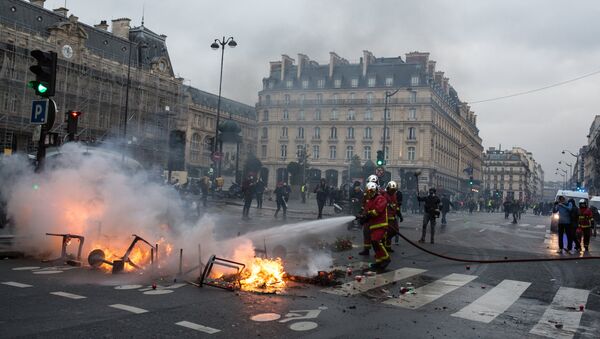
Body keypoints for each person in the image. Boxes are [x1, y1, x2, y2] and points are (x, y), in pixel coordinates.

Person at [360, 182, 390, 270]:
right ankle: (379, 261)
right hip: (373, 226)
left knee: (376, 241)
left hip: (381, 224)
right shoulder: (369, 201)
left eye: (372, 191)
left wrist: (367, 215)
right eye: (368, 191)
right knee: (374, 243)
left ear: (376, 190)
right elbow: (366, 211)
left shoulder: (381, 198)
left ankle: (386, 259)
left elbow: (377, 211)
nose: (370, 193)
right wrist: (362, 217)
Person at [384, 181, 401, 253]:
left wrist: (399, 214)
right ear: (388, 189)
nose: (393, 191)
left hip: (393, 216)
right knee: (387, 233)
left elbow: (395, 205)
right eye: (392, 190)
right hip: (386, 217)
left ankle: (388, 246)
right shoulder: (384, 195)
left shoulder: (394, 195)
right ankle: (385, 247)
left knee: (394, 231)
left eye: (394, 190)